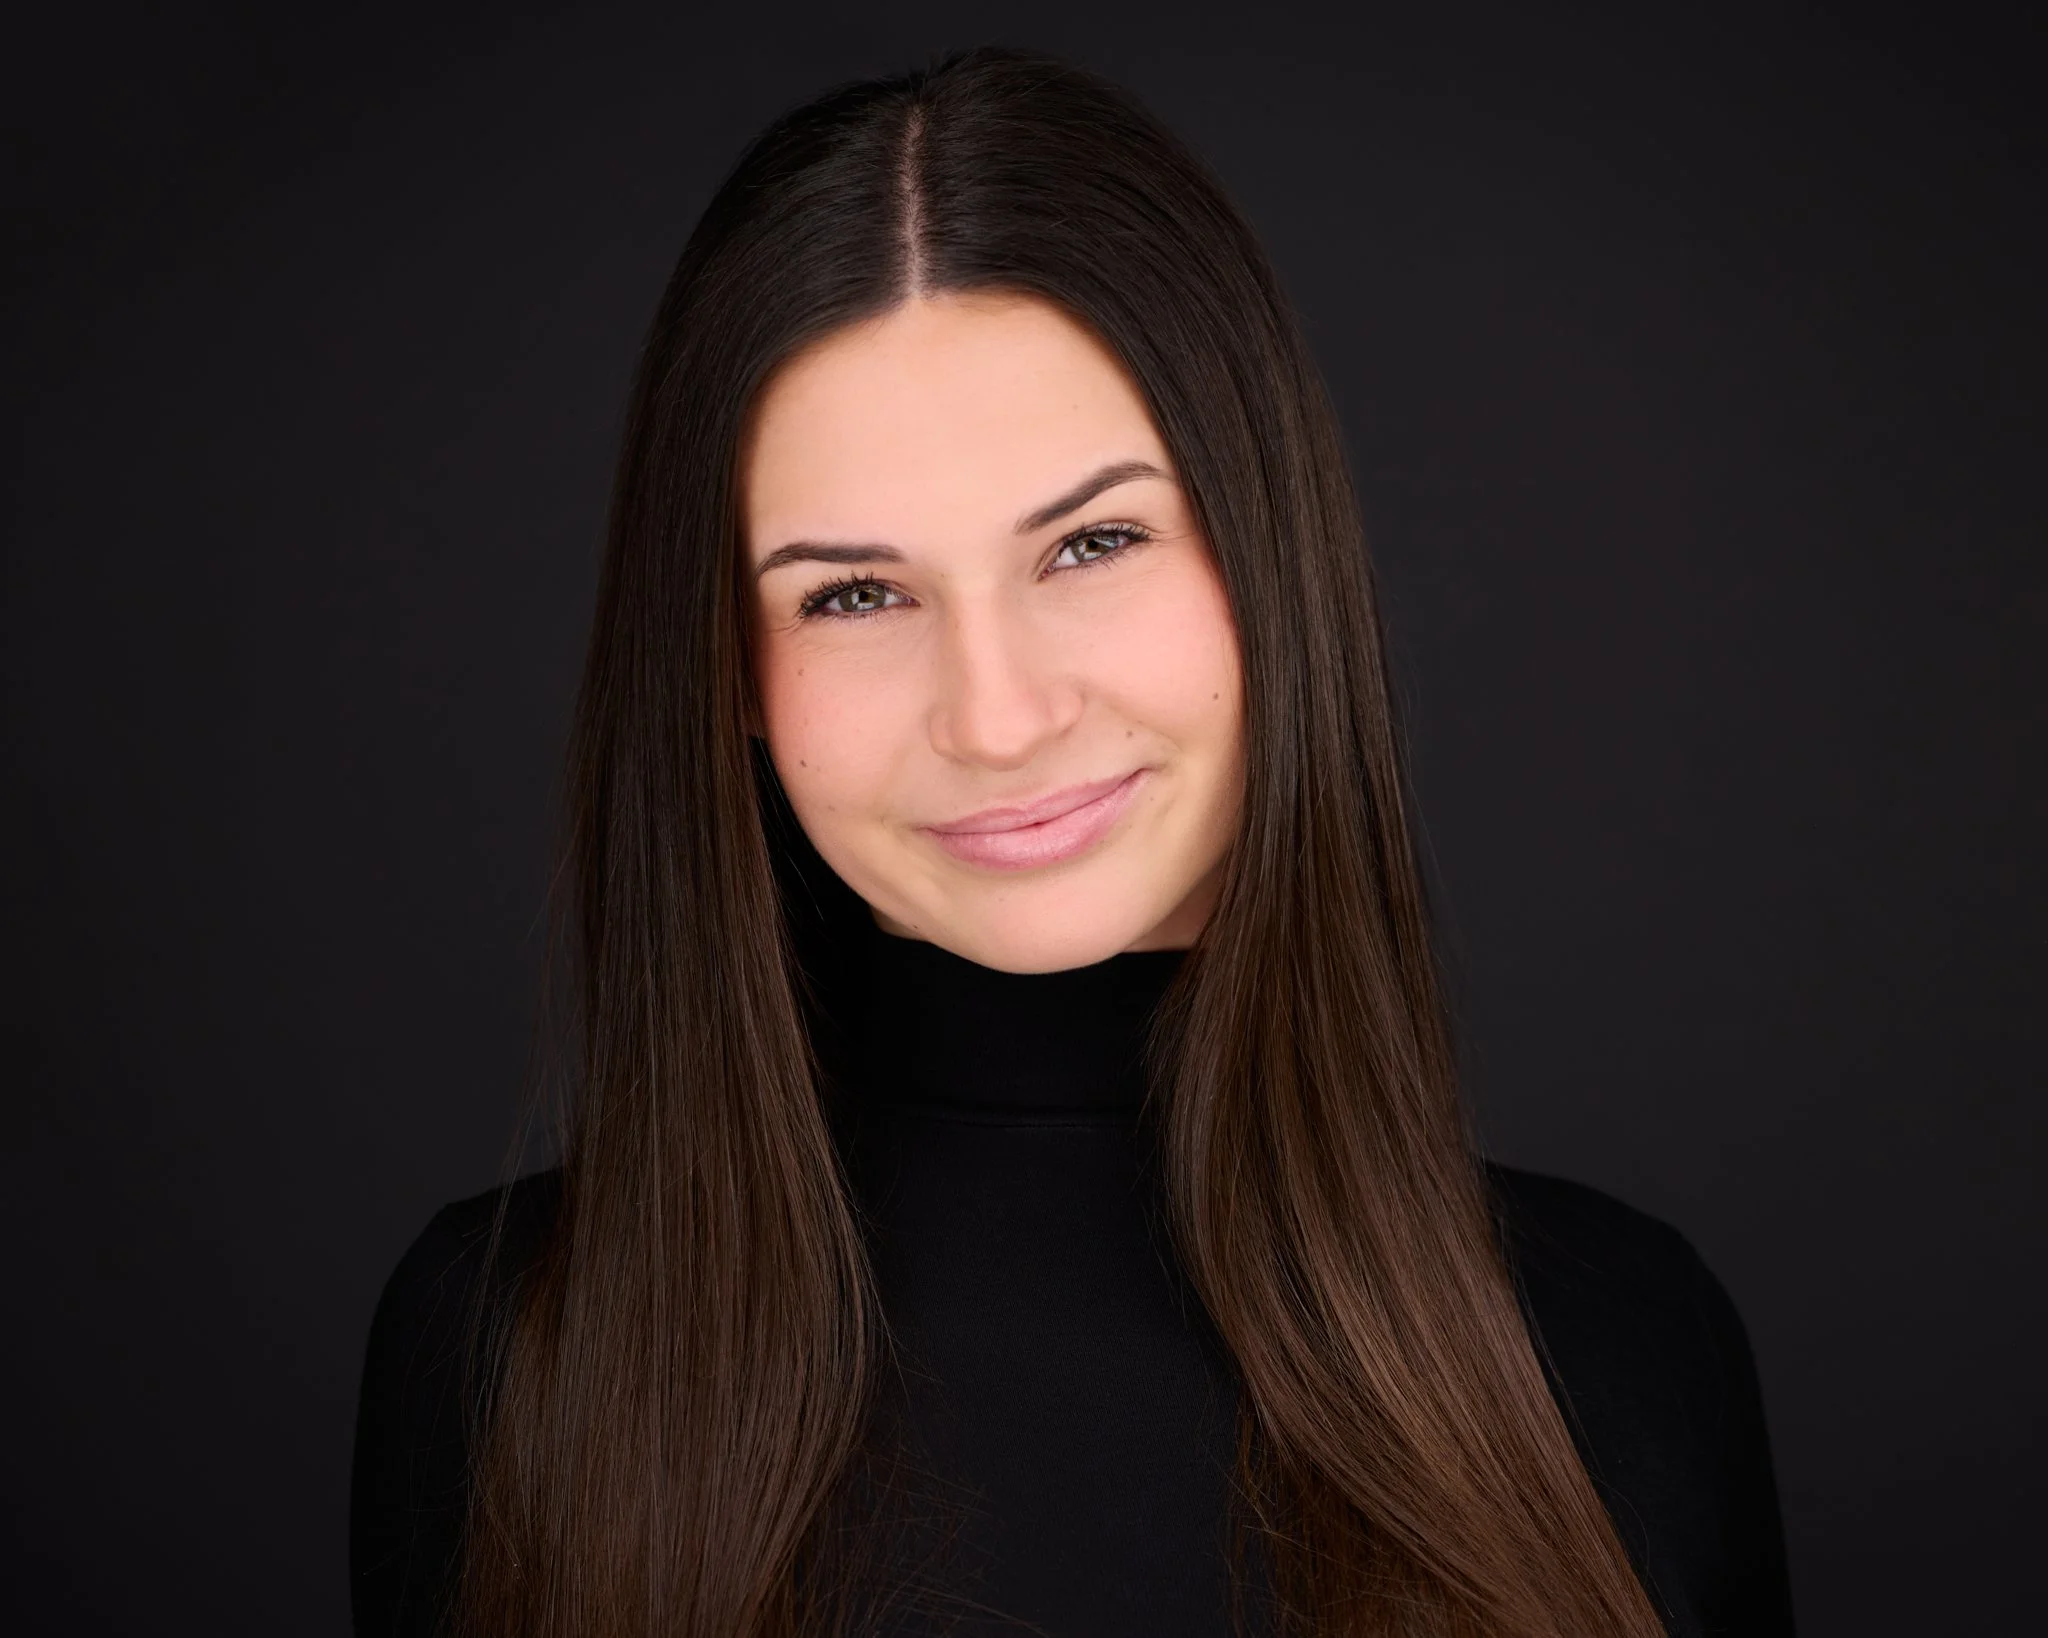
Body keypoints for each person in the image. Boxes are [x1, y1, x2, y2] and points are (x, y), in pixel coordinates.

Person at [349, 44, 1795, 1638]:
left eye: (1093, 541)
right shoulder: (505, 1347)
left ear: (1271, 554)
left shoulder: (1625, 1339)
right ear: (726, 678)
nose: (999, 712)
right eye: (853, 592)